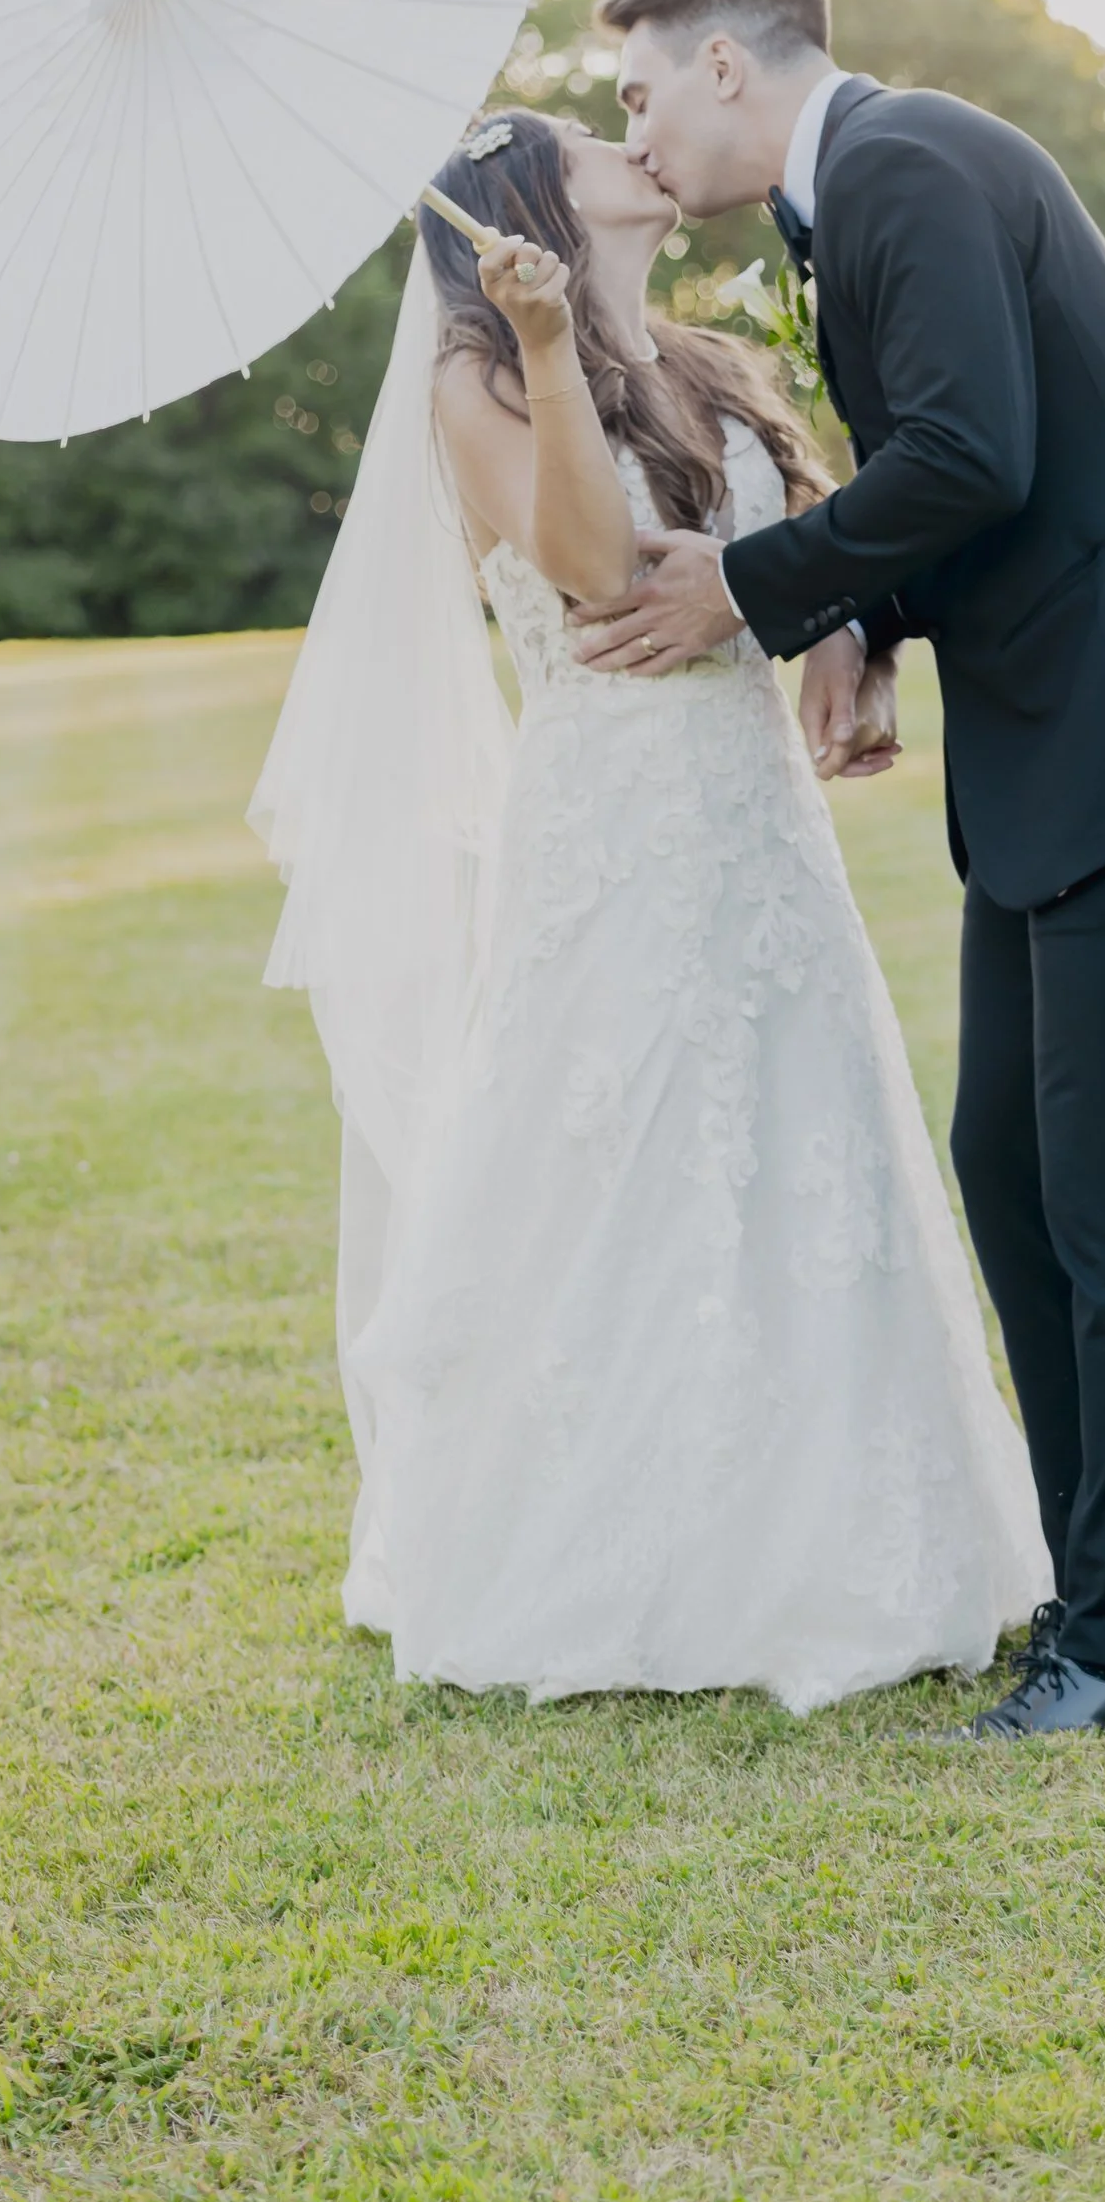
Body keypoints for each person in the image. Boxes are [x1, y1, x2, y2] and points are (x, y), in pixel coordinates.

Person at [579, 0, 1105, 1740]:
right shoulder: (854, 193)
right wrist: (869, 623)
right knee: (1012, 1169)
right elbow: (982, 473)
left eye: (641, 91)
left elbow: (973, 455)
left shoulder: (908, 161)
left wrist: (759, 590)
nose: (641, 133)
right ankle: (1093, 1591)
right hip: (1065, 741)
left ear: (731, 67)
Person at [249, 105, 1048, 1712]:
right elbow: (602, 570)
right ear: (520, 207)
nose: (632, 144)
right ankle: (616, 1557)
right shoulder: (472, 383)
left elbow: (814, 538)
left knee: (802, 1139)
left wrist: (849, 647)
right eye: (580, 133)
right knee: (616, 1157)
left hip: (759, 834)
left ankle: (848, 1534)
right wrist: (547, 348)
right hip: (610, 830)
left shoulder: (708, 364)